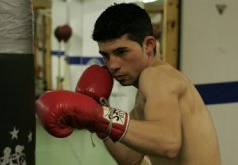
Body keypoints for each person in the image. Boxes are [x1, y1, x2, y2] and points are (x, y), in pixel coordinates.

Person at [36, 3, 221, 165]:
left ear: (148, 45)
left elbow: (169, 144)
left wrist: (101, 115)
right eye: (106, 55)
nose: (112, 65)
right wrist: (97, 120)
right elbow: (130, 159)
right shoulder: (144, 93)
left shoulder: (157, 76)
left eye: (122, 52)